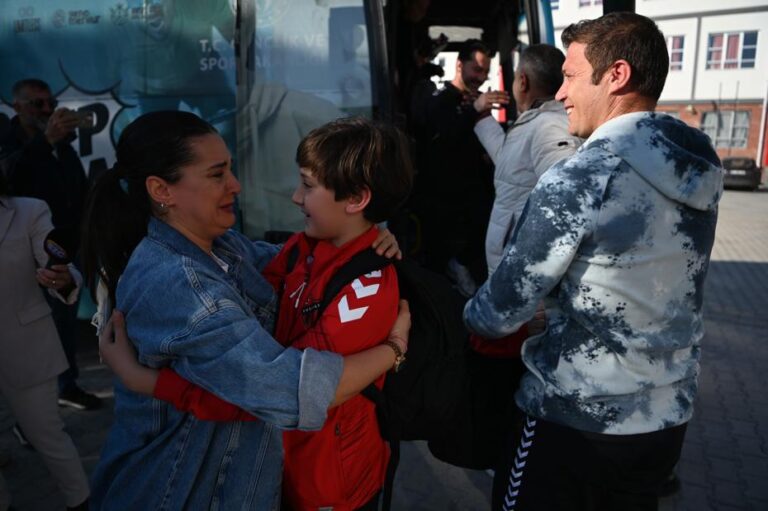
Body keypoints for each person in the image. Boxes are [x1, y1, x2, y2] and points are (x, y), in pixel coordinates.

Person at [82, 111, 410, 511]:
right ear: (161, 189)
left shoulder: (221, 246)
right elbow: (290, 391)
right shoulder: (182, 288)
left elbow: (296, 264)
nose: (235, 185)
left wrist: (366, 234)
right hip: (183, 491)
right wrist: (395, 348)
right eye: (217, 174)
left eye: (230, 169)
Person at [464, 12, 723, 511]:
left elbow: (498, 313)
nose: (561, 93)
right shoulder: (698, 167)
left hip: (573, 421)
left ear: (617, 76)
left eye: (572, 76)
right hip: (664, 422)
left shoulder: (581, 177)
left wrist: (454, 312)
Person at [0, 78, 100, 411]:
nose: (46, 110)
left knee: (63, 320)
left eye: (51, 103)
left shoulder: (62, 145)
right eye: (37, 104)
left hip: (62, 248)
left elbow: (76, 189)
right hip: (26, 251)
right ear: (17, 107)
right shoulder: (9, 140)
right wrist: (45, 142)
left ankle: (65, 385)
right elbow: (9, 177)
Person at [0, 172, 90, 511]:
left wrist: (62, 278)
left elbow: (59, 267)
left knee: (47, 435)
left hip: (25, 346)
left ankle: (80, 502)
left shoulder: (29, 211)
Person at [472, 44, 581, 275]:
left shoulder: (549, 126)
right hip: (512, 267)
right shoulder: (538, 121)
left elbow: (566, 202)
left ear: (522, 81)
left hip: (524, 271)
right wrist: (481, 116)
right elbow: (513, 166)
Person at [413, 39, 499, 295]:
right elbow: (444, 136)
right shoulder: (441, 99)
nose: (480, 77)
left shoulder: (474, 101)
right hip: (442, 192)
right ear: (460, 65)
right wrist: (475, 109)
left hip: (472, 187)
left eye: (485, 72)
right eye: (477, 69)